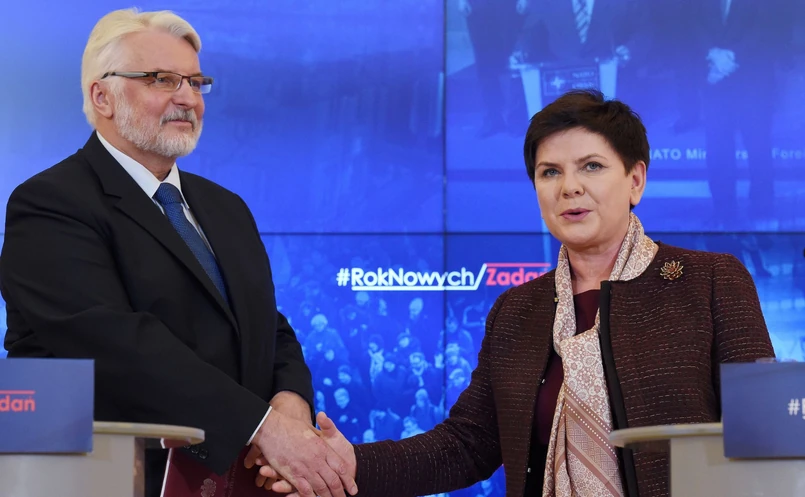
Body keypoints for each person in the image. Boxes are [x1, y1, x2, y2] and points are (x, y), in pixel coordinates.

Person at [258, 89, 774, 496]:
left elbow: (766, 437)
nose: (569, 187)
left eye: (591, 166)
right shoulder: (518, 309)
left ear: (635, 179)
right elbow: (468, 444)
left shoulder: (710, 281)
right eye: (550, 172)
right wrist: (351, 464)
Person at [0, 9, 356, 497]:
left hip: (240, 482)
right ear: (101, 96)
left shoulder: (227, 208)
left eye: (196, 82)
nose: (188, 98)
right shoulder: (50, 203)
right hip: (103, 479)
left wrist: (291, 403)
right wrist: (264, 429)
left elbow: (266, 327)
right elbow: (114, 345)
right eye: (161, 79)